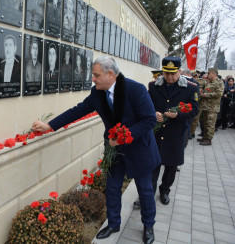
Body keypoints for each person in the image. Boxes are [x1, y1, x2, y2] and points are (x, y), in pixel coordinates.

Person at [32, 56, 160, 244]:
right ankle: (113, 223)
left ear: (110, 74)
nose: (93, 78)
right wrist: (49, 125)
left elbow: (149, 120)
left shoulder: (136, 90)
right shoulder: (97, 93)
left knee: (145, 190)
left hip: (139, 149)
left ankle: (148, 225)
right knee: (112, 187)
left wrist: (123, 136)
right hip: (115, 151)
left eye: (96, 75)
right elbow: (78, 110)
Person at [148, 56, 199, 206]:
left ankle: (165, 190)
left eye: (173, 73)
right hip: (156, 133)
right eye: (166, 73)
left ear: (179, 71)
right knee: (152, 165)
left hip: (176, 133)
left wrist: (178, 115)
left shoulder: (190, 87)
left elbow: (194, 110)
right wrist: (153, 113)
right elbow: (146, 105)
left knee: (171, 166)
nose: (169, 77)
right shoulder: (153, 86)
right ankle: (147, 194)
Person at [197, 67, 224, 145]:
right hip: (205, 106)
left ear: (213, 74)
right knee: (205, 123)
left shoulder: (219, 82)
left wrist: (206, 95)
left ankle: (209, 139)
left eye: (209, 73)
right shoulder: (209, 82)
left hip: (212, 107)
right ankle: (205, 137)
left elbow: (219, 94)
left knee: (210, 124)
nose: (208, 74)